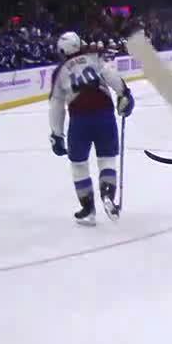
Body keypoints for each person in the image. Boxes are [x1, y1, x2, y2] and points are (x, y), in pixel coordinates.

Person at [47, 31, 133, 225]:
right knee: (107, 159)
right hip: (104, 115)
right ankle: (108, 194)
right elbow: (111, 75)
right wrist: (124, 94)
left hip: (79, 121)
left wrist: (56, 134)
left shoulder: (60, 72)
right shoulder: (94, 58)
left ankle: (88, 210)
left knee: (78, 164)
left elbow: (56, 105)